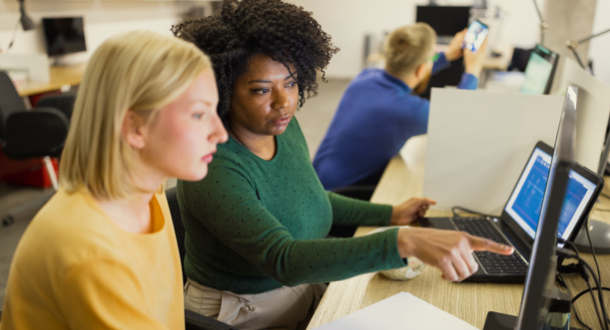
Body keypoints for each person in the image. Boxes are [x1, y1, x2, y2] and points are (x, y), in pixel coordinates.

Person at [172, 1, 512, 329]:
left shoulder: (283, 128)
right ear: (223, 89)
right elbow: (283, 259)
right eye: (262, 90)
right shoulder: (211, 166)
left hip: (298, 288)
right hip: (243, 312)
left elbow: (313, 198)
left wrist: (390, 214)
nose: (283, 102)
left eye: (290, 83)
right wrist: (403, 241)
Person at [0, 30, 227, 329]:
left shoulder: (148, 188)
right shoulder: (88, 250)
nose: (220, 133)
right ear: (134, 128)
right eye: (199, 115)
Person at [313, 23, 488, 195]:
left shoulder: (365, 77)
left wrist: (446, 55)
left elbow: (413, 68)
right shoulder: (409, 112)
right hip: (336, 201)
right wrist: (473, 70)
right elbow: (460, 112)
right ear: (421, 69)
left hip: (316, 182)